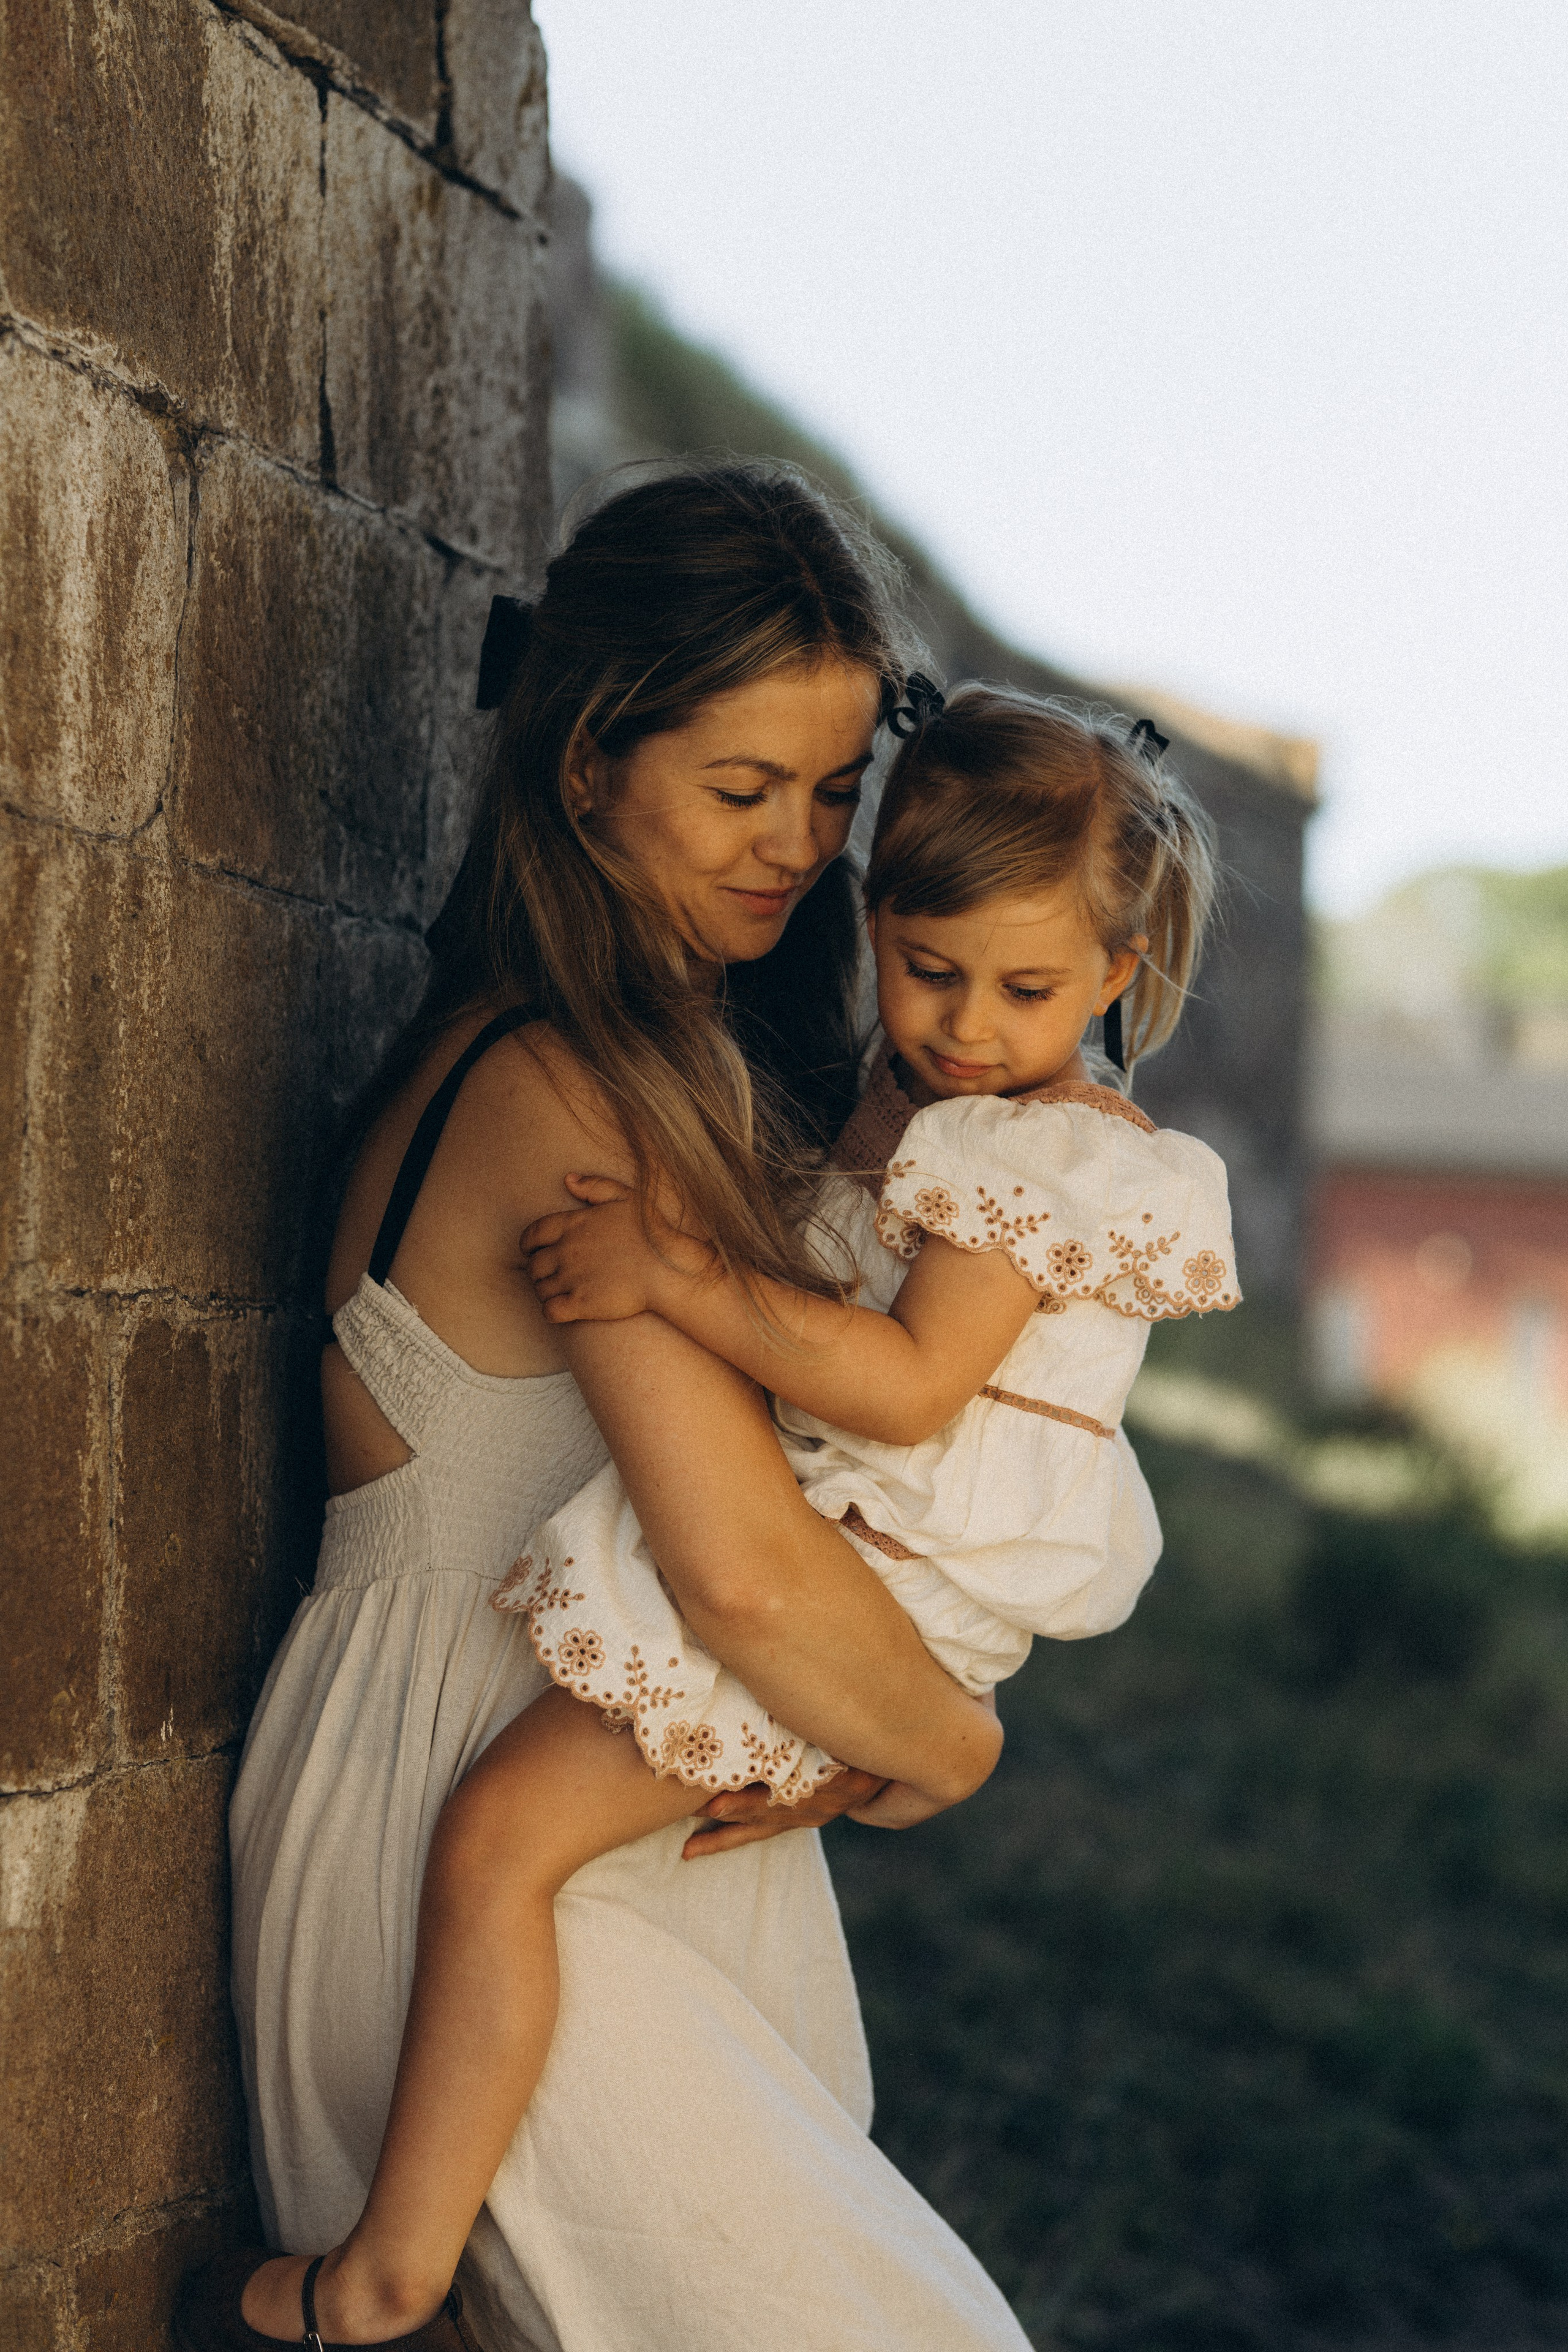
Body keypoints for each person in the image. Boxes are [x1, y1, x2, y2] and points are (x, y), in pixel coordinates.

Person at [183, 464, 1029, 2352]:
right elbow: (739, 1575)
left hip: (534, 1843)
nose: (797, 849)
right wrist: (950, 1749)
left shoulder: (630, 1070)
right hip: (483, 1882)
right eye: (740, 790)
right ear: (585, 766)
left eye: (828, 794)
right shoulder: (568, 1097)